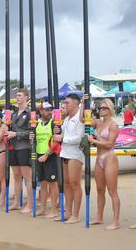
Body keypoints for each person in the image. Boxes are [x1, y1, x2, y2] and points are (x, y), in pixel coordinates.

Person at [85, 97, 121, 230]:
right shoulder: (99, 123)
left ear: (110, 109)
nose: (101, 110)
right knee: (100, 190)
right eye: (100, 108)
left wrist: (93, 141)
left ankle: (116, 221)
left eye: (104, 108)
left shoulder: (113, 125)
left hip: (109, 157)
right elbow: (84, 119)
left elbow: (110, 144)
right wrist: (84, 103)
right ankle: (99, 217)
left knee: (112, 191)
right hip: (99, 157)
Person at [53, 93, 84, 224]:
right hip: (65, 153)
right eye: (64, 103)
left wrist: (62, 138)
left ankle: (76, 214)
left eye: (67, 103)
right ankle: (68, 212)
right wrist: (58, 133)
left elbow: (79, 138)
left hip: (75, 154)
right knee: (66, 183)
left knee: (74, 183)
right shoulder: (66, 119)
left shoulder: (80, 118)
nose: (65, 105)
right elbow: (63, 135)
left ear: (76, 104)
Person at [6, 89, 34, 213]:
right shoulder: (14, 113)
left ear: (26, 97)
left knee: (27, 176)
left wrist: (15, 133)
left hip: (24, 147)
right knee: (16, 176)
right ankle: (17, 202)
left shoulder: (30, 113)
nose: (17, 98)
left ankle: (30, 204)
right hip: (13, 147)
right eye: (16, 96)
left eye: (19, 96)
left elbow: (32, 132)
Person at [34, 102, 58, 218]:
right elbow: (35, 140)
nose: (49, 112)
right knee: (43, 184)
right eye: (47, 110)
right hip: (39, 155)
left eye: (50, 110)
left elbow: (57, 142)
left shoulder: (54, 124)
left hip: (50, 156)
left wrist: (47, 154)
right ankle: (43, 208)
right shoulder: (37, 124)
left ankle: (54, 209)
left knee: (53, 184)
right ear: (41, 111)